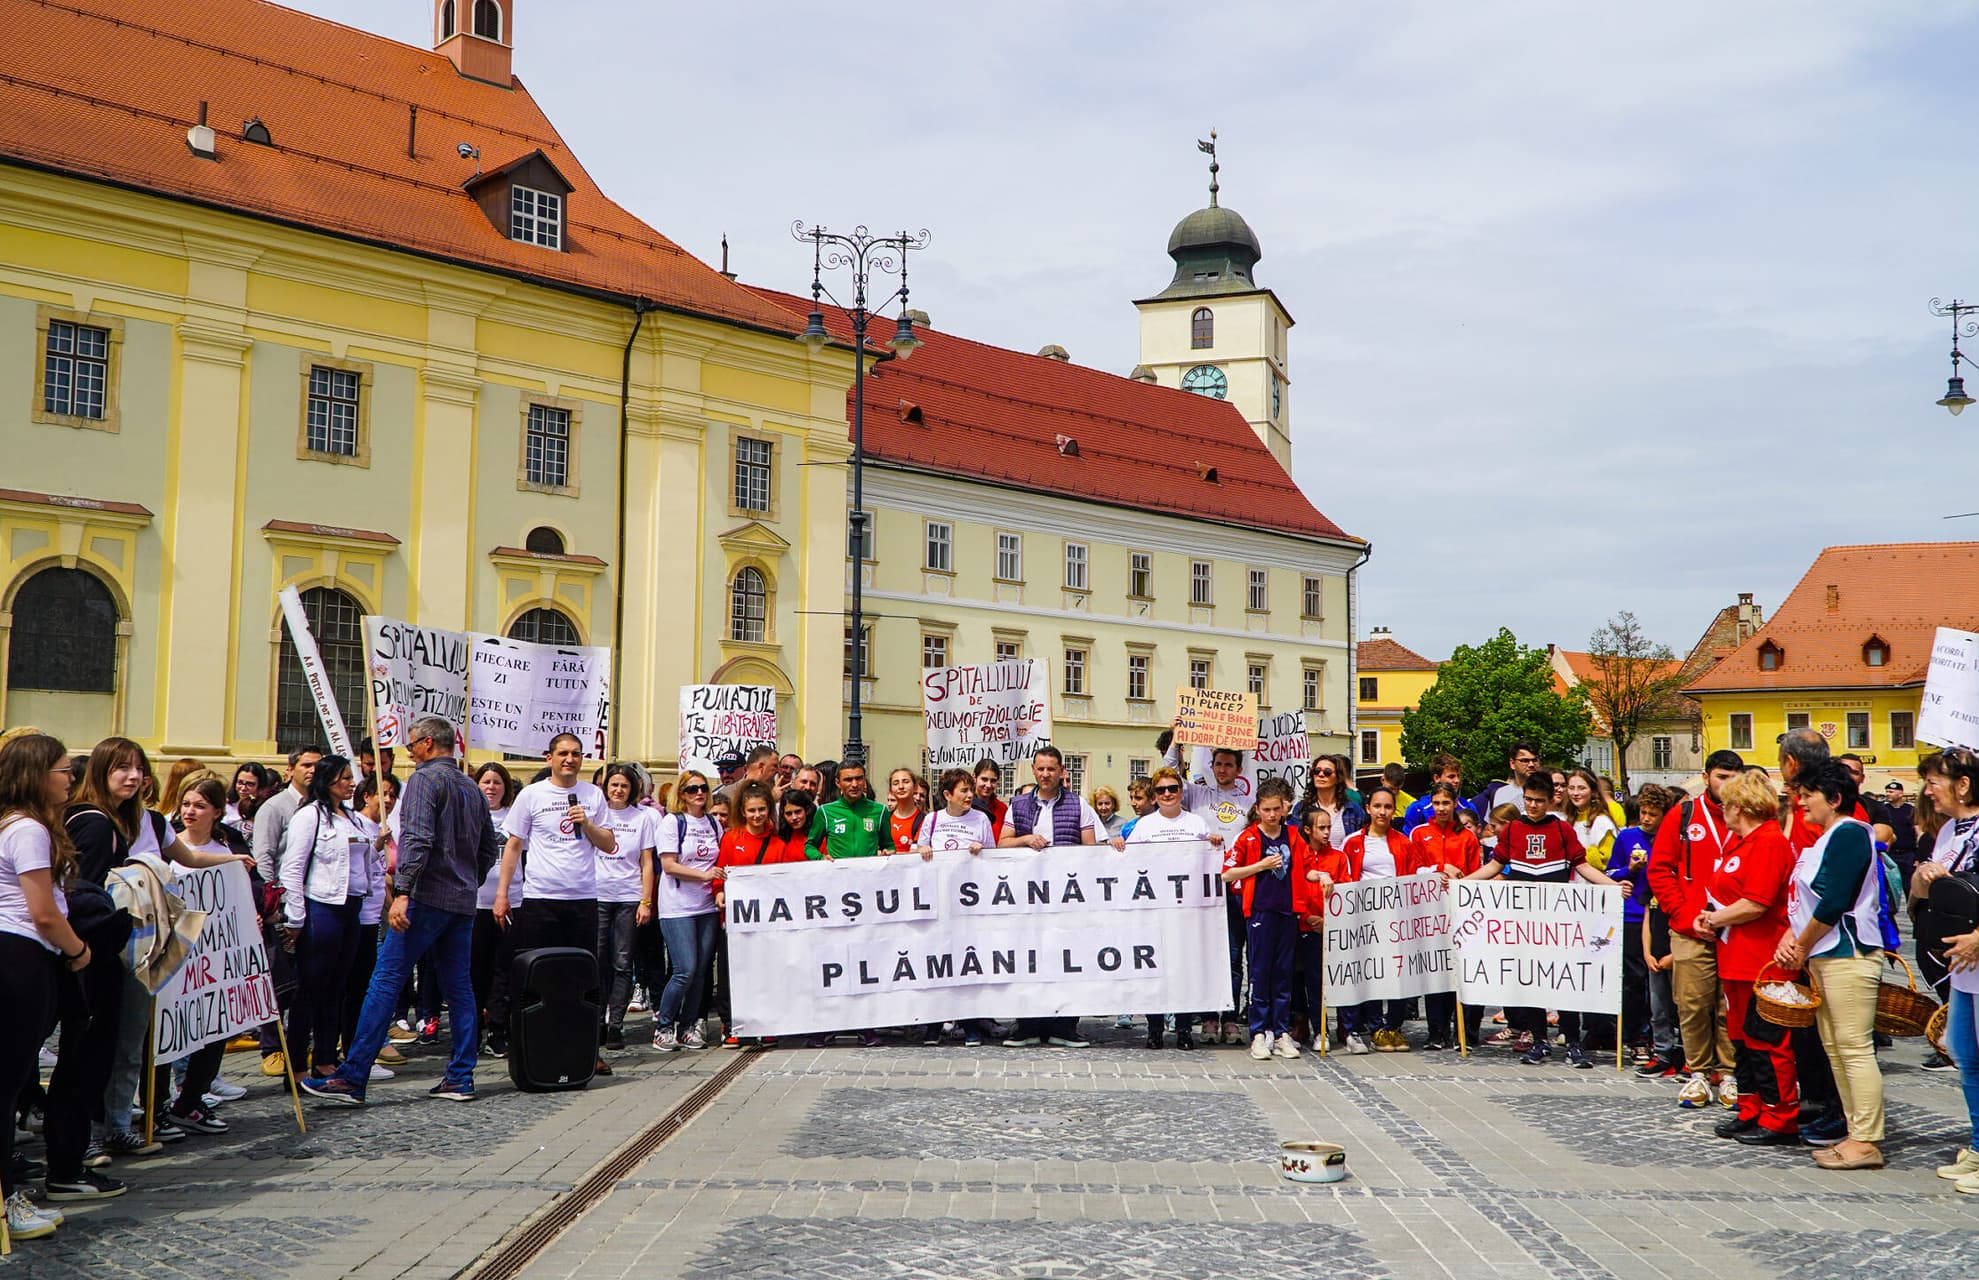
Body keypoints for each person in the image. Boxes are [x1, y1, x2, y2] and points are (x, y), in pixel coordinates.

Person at [299, 717, 500, 1106]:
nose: (407, 751)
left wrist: (404, 891)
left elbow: (418, 838)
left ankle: (353, 1076)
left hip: (425, 897)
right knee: (459, 989)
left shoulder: (426, 780)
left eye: (411, 744)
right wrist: (467, 881)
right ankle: (460, 1076)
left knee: (386, 980)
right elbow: (489, 848)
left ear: (427, 744)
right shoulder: (471, 787)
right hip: (460, 902)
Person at [1774, 758, 1901, 1171]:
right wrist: (1797, 938)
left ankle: (1866, 1138)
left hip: (1849, 953)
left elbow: (1835, 900)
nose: (1802, 802)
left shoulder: (1849, 833)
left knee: (1853, 1048)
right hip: (1826, 954)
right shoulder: (1827, 836)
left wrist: (1800, 942)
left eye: (1809, 795)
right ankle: (1853, 1130)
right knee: (1835, 1048)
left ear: (1834, 798)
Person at [1467, 773, 1625, 1067]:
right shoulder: (1513, 829)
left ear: (1551, 799)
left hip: (1558, 920)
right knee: (1531, 981)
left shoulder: (1562, 829)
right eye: (1528, 800)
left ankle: (1573, 1042)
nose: (1533, 806)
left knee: (1563, 982)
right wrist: (1463, 884)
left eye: (1539, 801)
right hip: (1525, 920)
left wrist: (1613, 888)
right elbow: (1495, 865)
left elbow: (1582, 867)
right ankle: (1539, 1041)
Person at [1, 734, 91, 1240]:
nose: (70, 778)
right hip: (22, 954)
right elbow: (43, 912)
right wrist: (79, 950)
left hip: (15, 952)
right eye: (63, 770)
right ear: (37, 774)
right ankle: (7, 1200)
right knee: (10, 1082)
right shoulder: (28, 829)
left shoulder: (15, 824)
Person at [490, 734, 616, 1073]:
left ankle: (587, 1049)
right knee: (537, 976)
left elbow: (609, 844)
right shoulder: (532, 795)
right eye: (563, 754)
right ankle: (531, 1046)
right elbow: (514, 846)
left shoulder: (593, 795)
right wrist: (502, 894)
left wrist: (586, 823)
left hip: (583, 898)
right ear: (550, 757)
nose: (569, 760)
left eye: (576, 754)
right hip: (541, 899)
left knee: (583, 977)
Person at [1698, 770, 1800, 1145]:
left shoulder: (1768, 843)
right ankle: (1750, 1106)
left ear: (1739, 807)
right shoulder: (1741, 843)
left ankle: (1780, 1116)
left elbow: (1757, 902)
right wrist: (1711, 916)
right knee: (1742, 1038)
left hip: (1763, 959)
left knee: (1768, 1041)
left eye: (1726, 805)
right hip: (1736, 956)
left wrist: (1714, 918)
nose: (1722, 811)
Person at [1647, 749, 1743, 1107]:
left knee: (1728, 1004)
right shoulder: (1683, 815)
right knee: (1691, 1003)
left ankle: (1730, 1073)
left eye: (1734, 777)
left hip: (1735, 926)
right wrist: (1684, 915)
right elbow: (1660, 870)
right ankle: (1698, 1072)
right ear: (1707, 778)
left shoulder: (1748, 816)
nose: (1727, 784)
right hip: (1690, 926)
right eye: (1721, 776)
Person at [280, 755, 381, 1081]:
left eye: (351, 777)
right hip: (321, 906)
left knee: (337, 987)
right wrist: (295, 916)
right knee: (311, 988)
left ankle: (325, 1057)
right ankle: (295, 1064)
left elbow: (361, 861)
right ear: (327, 781)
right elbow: (293, 867)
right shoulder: (310, 816)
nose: (351, 783)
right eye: (344, 778)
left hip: (352, 907)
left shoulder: (353, 818)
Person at [167, 778, 256, 1129]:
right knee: (173, 1028)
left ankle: (192, 1097)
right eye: (186, 804)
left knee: (215, 1027)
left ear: (217, 812)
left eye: (199, 805)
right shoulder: (168, 849)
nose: (190, 811)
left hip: (215, 955)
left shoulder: (226, 851)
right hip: (176, 953)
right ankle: (160, 1103)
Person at [999, 746, 1101, 1049]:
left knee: (1068, 959)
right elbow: (1001, 844)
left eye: (1051, 769)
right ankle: (1027, 1026)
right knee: (1028, 959)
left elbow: (1090, 848)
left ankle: (1065, 1027)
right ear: (1034, 769)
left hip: (1066, 899)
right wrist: (1025, 839)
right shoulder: (1017, 805)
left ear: (1061, 772)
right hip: (1026, 898)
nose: (1045, 774)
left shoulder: (1078, 804)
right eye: (1041, 769)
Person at [1915, 747, 1979, 1191]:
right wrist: (1923, 877)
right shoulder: (1948, 831)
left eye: (1934, 780)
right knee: (1965, 1055)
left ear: (1963, 783)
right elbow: (1921, 892)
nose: (1927, 790)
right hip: (1962, 969)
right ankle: (1977, 1147)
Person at [1223, 778, 1321, 1061]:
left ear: (1283, 809)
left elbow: (1307, 869)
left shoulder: (1292, 836)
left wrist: (1322, 876)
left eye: (1276, 809)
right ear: (1258, 809)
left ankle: (1280, 1032)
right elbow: (1227, 873)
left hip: (1287, 911)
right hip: (1259, 911)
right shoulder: (1248, 838)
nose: (1272, 815)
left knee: (1283, 975)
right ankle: (1259, 1031)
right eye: (1266, 809)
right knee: (1259, 973)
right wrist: (1259, 866)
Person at [1160, 737, 1250, 1043]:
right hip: (1201, 887)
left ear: (1239, 769)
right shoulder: (1197, 794)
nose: (1222, 769)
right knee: (1206, 953)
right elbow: (1169, 774)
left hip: (1235, 887)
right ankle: (1210, 1017)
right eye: (1218, 764)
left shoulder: (1248, 803)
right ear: (1211, 767)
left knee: (1234, 955)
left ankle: (1230, 1017)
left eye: (1229, 764)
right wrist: (1175, 742)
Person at [1121, 766, 1214, 1050]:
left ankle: (1184, 1029)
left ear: (1181, 792)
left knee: (1184, 969)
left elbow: (1209, 859)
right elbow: (1130, 862)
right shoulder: (1145, 826)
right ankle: (1155, 1028)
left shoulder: (1197, 823)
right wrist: (1116, 845)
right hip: (1154, 908)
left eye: (1172, 789)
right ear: (1155, 795)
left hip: (1187, 908)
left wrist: (1214, 843)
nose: (1167, 794)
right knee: (1156, 969)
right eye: (1161, 790)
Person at [712, 780, 804, 1046]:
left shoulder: (777, 844)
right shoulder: (732, 838)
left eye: (762, 809)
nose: (757, 815)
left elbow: (786, 881)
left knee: (765, 972)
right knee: (732, 974)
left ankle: (767, 1022)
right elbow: (721, 872)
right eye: (752, 810)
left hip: (767, 923)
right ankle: (731, 1024)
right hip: (735, 920)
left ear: (768, 810)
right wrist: (719, 892)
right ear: (743, 810)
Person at [250, 745, 322, 1077]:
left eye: (317, 766)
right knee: (276, 979)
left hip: (313, 903)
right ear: (290, 769)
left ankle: (300, 1043)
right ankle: (271, 1046)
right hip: (280, 907)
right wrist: (271, 903)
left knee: (304, 980)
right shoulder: (275, 807)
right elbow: (264, 858)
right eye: (306, 765)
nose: (312, 770)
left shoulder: (324, 807)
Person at [1340, 787, 1425, 1053]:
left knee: (1398, 972)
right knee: (1373, 972)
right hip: (1366, 917)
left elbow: (1413, 873)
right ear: (1368, 808)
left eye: (1388, 807)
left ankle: (1394, 1026)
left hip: (1396, 917)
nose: (1382, 812)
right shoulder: (1354, 842)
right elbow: (1346, 878)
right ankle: (1376, 1026)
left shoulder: (1403, 842)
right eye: (1377, 806)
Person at [645, 769, 721, 1052]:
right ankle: (664, 1025)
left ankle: (689, 1026)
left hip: (707, 907)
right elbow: (668, 865)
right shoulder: (671, 823)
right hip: (678, 906)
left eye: (702, 788)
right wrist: (705, 876)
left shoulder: (713, 823)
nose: (699, 793)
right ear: (681, 794)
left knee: (701, 970)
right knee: (684, 969)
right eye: (691, 789)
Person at [1410, 783, 1482, 1050]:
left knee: (1459, 974)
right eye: (1437, 803)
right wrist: (1438, 869)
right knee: (1434, 972)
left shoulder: (1467, 838)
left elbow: (1476, 873)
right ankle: (1435, 1031)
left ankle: (1462, 1030)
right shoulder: (1419, 833)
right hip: (1430, 914)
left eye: (1446, 803)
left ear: (1455, 805)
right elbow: (1412, 869)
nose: (1441, 808)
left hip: (1460, 912)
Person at [1614, 786, 1678, 1074]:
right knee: (1634, 980)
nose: (1646, 819)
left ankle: (1663, 1039)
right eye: (1642, 812)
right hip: (1632, 916)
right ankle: (1636, 1035)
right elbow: (1610, 871)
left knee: (1663, 986)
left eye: (1653, 814)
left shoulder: (1671, 839)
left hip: (1661, 918)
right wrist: (1628, 870)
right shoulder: (1628, 837)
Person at [596, 764, 654, 1052]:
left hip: (628, 897)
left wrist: (646, 900)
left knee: (622, 963)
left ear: (632, 790)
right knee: (597, 960)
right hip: (597, 896)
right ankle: (596, 1022)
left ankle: (616, 1024)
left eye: (624, 786)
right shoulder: (596, 813)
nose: (618, 790)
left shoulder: (642, 818)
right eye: (614, 785)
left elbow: (646, 864)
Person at [1565, 767, 1620, 1053]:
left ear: (1592, 791)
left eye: (1581, 788)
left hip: (1596, 900)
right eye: (1572, 788)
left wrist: (1578, 852)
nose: (1576, 793)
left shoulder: (1601, 823)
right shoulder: (1567, 819)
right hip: (1572, 901)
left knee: (1596, 963)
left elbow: (1606, 862)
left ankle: (1601, 1027)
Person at [468, 762, 518, 1048]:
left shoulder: (514, 816)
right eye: (486, 781)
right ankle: (471, 1028)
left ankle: (498, 1029)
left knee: (503, 969)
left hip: (511, 901)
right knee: (474, 968)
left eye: (497, 782)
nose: (491, 787)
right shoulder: (469, 815)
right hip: (475, 903)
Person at [914, 769, 995, 856]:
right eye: (964, 791)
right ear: (947, 795)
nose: (970, 795)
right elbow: (919, 853)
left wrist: (982, 850)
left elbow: (992, 856)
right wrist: (923, 849)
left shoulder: (981, 819)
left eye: (971, 790)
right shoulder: (931, 819)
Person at [1402, 755, 1474, 834]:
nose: (1457, 780)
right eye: (1451, 776)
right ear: (1436, 778)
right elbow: (1408, 841)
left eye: (1458, 776)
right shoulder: (1418, 809)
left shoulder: (1468, 807)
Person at [717, 746, 777, 814]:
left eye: (730, 769)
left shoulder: (775, 791)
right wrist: (771, 800)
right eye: (774, 766)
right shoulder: (727, 793)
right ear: (761, 766)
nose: (777, 770)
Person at [1487, 741, 1544, 813]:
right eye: (1525, 760)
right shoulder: (1498, 794)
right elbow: (1491, 823)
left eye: (1535, 760)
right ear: (1512, 763)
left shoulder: (1550, 792)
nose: (1531, 764)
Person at [883, 767, 925, 855]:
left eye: (906, 782)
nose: (901, 787)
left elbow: (916, 853)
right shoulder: (884, 818)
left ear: (915, 787)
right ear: (891, 790)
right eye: (895, 783)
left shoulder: (924, 820)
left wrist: (894, 854)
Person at [971, 758, 1008, 839]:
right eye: (984, 779)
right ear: (974, 777)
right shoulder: (965, 806)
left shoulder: (1002, 808)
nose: (988, 785)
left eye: (993, 781)